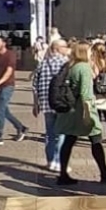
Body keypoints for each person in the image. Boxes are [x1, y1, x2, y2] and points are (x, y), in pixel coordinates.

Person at [54, 41, 106, 186]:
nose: (91, 53)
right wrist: (89, 115)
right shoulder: (84, 68)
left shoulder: (71, 66)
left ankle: (63, 174)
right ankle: (104, 173)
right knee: (96, 139)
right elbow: (86, 94)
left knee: (69, 140)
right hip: (83, 110)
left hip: (71, 111)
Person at [32, 38, 69, 171]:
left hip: (46, 103)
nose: (67, 49)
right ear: (58, 48)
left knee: (49, 134)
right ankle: (58, 161)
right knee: (62, 133)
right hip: (60, 103)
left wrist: (35, 103)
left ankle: (50, 161)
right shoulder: (65, 63)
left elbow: (34, 85)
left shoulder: (42, 63)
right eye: (65, 46)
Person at [0, 36, 28, 145]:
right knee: (4, 111)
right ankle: (21, 128)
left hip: (7, 86)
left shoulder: (10, 55)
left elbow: (9, 71)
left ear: (4, 44)